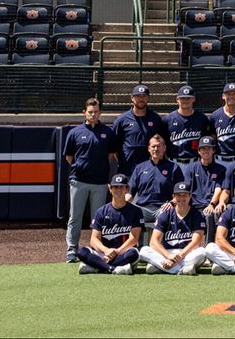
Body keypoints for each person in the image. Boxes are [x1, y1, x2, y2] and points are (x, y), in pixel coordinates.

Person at [64, 98, 117, 263]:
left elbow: (110, 156)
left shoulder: (107, 132)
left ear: (100, 113)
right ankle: (72, 250)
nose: (93, 114)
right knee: (75, 217)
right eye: (90, 112)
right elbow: (69, 157)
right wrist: (81, 167)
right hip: (79, 181)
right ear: (84, 113)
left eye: (96, 112)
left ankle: (96, 250)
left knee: (98, 219)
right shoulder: (75, 132)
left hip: (100, 183)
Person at [76, 174, 143, 275]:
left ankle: (97, 266)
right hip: (104, 253)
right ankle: (111, 268)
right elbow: (93, 240)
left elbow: (134, 239)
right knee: (81, 251)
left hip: (123, 253)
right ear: (110, 189)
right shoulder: (101, 211)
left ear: (127, 189)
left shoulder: (136, 211)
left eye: (122, 187)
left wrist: (117, 251)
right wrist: (106, 251)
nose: (118, 190)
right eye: (115, 187)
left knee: (133, 253)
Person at [139, 181, 207, 275]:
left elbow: (196, 242)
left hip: (187, 252)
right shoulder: (166, 214)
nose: (182, 198)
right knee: (144, 251)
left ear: (190, 196)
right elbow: (153, 242)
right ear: (173, 197)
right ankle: (182, 269)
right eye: (179, 195)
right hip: (167, 252)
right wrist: (168, 256)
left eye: (185, 195)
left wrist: (177, 258)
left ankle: (162, 267)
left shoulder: (197, 215)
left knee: (202, 252)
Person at [111, 84, 165, 176]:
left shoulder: (156, 119)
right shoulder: (122, 120)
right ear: (132, 98)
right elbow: (115, 147)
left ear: (148, 98)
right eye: (138, 96)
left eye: (144, 96)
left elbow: (162, 143)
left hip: (151, 170)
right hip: (127, 171)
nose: (141, 99)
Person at [126, 134, 181, 224]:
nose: (156, 149)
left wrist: (171, 203)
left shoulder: (174, 167)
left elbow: (179, 193)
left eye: (159, 146)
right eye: (153, 146)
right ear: (149, 149)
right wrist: (124, 205)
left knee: (168, 215)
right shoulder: (140, 168)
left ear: (164, 148)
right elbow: (130, 192)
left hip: (163, 208)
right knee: (129, 215)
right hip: (142, 208)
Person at [181, 136, 227, 233]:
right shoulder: (191, 168)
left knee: (210, 215)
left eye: (209, 148)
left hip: (210, 205)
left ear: (213, 150)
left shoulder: (221, 169)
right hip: (194, 206)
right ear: (198, 151)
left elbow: (219, 189)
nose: (206, 151)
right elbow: (187, 189)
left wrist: (212, 204)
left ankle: (210, 244)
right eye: (203, 148)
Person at [164, 85, 214, 165]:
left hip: (195, 162)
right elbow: (163, 142)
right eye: (182, 98)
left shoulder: (201, 118)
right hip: (173, 162)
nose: (185, 101)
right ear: (177, 99)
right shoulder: (168, 119)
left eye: (188, 98)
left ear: (193, 99)